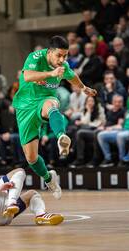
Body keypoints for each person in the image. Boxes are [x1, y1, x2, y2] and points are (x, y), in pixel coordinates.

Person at [12, 36, 96, 200]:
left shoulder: (63, 66)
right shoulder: (35, 57)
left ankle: (61, 137)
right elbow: (28, 76)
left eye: (65, 56)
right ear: (49, 52)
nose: (62, 59)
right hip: (25, 106)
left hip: (46, 99)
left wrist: (84, 88)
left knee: (51, 106)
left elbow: (73, 77)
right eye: (59, 55)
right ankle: (50, 179)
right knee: (31, 158)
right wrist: (51, 73)